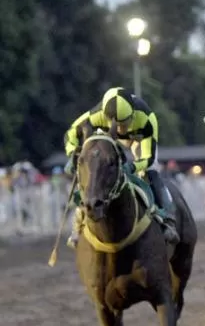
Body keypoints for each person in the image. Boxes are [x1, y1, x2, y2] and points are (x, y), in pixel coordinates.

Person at [64, 86, 179, 247]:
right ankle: (78, 224)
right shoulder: (94, 116)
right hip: (108, 139)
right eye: (115, 124)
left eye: (123, 123)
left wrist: (132, 167)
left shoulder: (146, 119)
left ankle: (168, 219)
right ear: (105, 116)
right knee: (93, 171)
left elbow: (148, 157)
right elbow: (70, 135)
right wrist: (73, 154)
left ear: (132, 114)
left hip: (138, 139)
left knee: (150, 172)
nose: (119, 129)